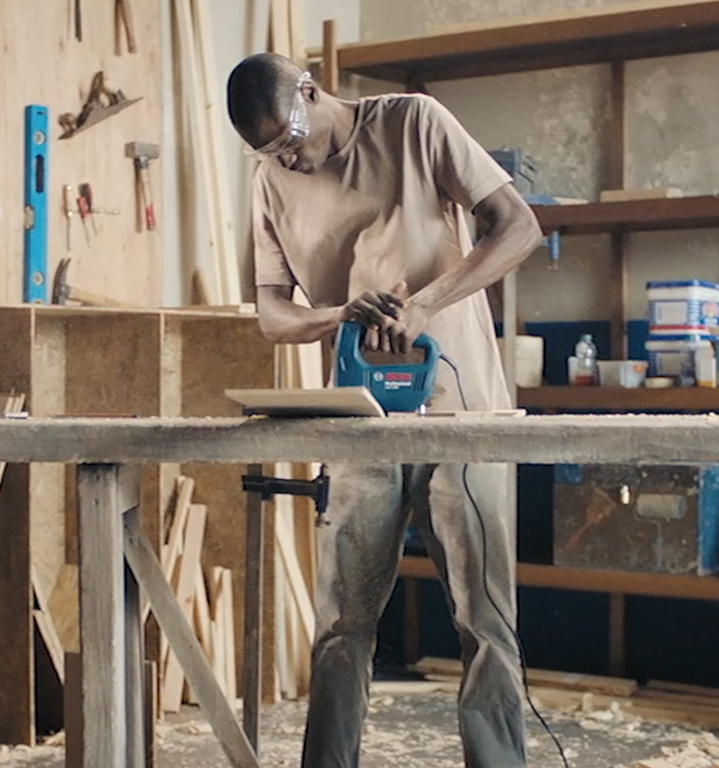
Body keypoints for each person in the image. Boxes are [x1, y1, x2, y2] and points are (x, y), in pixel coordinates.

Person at [225, 52, 543, 768]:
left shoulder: (413, 123)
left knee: (484, 618)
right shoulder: (269, 178)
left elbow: (518, 226)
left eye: (289, 141)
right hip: (357, 415)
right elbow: (273, 314)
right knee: (341, 623)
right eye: (269, 153)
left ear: (310, 91)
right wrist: (339, 312)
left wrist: (427, 302)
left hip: (459, 409)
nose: (288, 160)